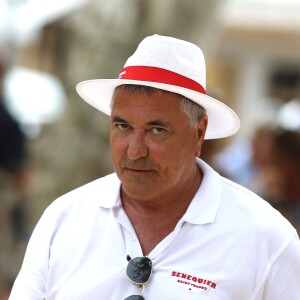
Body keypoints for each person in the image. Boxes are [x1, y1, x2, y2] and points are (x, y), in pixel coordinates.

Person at [9, 34, 300, 300]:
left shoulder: (266, 238)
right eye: (122, 126)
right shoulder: (64, 220)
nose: (135, 151)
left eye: (157, 130)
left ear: (198, 133)